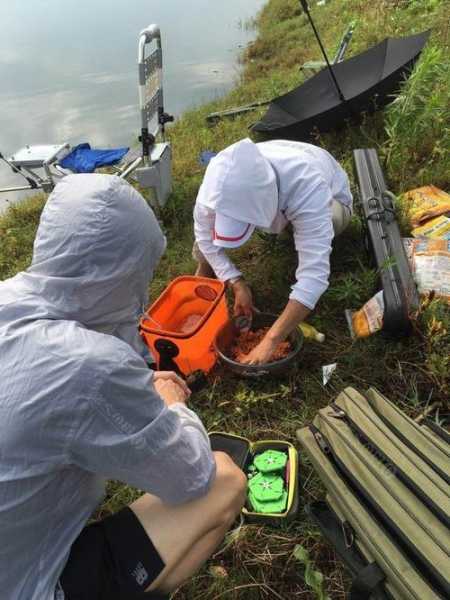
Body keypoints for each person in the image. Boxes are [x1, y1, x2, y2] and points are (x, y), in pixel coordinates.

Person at [0, 174, 246, 600]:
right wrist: (172, 404)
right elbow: (190, 476)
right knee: (225, 481)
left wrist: (129, 384)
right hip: (22, 585)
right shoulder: (87, 365)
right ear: (123, 272)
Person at [193, 137, 353, 364]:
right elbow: (203, 237)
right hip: (276, 188)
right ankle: (205, 273)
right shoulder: (216, 183)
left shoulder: (306, 184)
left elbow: (313, 277)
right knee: (206, 243)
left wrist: (270, 340)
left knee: (332, 222)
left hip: (332, 197)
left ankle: (298, 230)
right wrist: (236, 283)